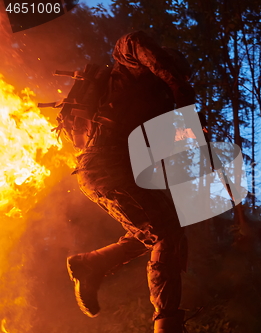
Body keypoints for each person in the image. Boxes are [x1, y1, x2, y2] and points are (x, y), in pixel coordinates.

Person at [66, 31, 195, 333]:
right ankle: (166, 323)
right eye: (175, 70)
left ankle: (93, 264)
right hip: (104, 165)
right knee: (165, 230)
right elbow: (133, 41)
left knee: (162, 226)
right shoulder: (131, 66)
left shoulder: (156, 102)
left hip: (113, 168)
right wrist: (178, 85)